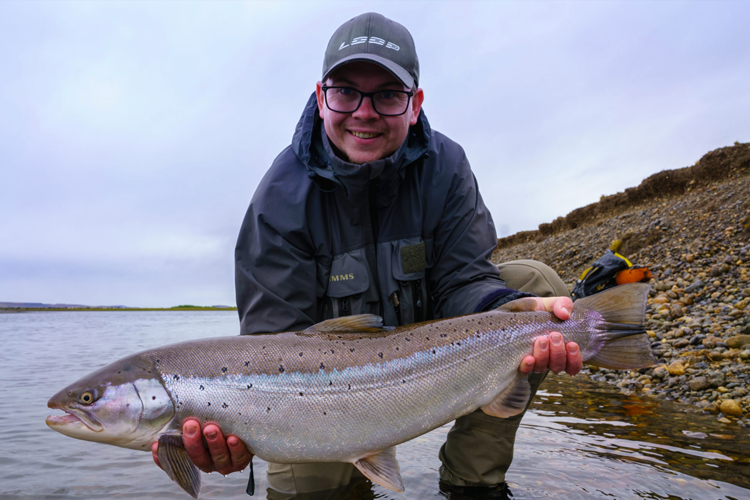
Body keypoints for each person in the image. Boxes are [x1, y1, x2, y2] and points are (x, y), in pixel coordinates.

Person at [152, 12, 582, 497]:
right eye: (346, 92)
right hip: (317, 391)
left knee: (538, 287)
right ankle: (349, 464)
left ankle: (470, 481)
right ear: (321, 97)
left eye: (387, 95)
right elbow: (270, 342)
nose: (364, 112)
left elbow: (464, 280)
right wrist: (244, 434)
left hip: (433, 351)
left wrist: (517, 315)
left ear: (415, 104)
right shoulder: (278, 199)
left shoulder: (447, 167)